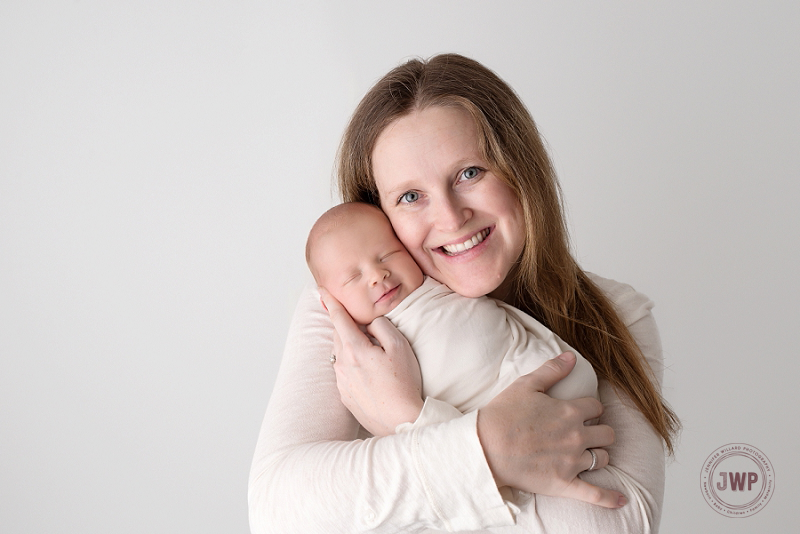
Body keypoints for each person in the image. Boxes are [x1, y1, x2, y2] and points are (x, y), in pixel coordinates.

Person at [249, 53, 679, 534]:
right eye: (410, 197)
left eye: (470, 173)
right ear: (379, 214)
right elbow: (276, 513)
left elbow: (618, 523)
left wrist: (409, 419)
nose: (452, 219)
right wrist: (487, 449)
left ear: (521, 171)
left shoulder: (617, 312)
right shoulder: (350, 307)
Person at [305, 201, 598, 415]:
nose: (377, 275)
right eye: (354, 277)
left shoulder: (436, 276)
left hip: (538, 363)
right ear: (330, 301)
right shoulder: (363, 349)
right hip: (488, 411)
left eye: (388, 255)